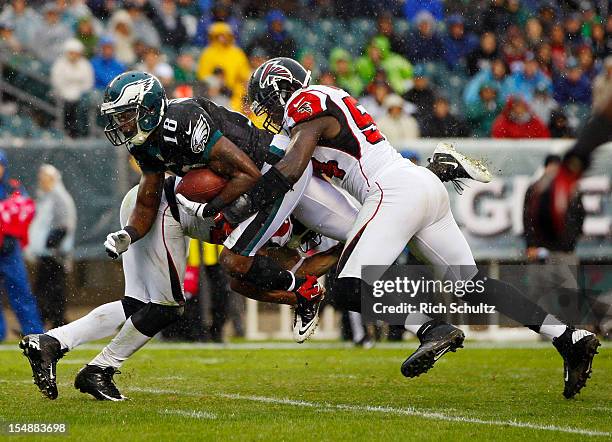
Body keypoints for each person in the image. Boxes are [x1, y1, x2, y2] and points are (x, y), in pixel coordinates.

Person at [246, 57, 598, 399]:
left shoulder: (304, 104)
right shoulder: (325, 100)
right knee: (473, 286)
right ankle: (568, 337)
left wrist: (247, 203)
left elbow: (291, 169)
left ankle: (432, 329)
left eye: (267, 104)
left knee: (347, 288)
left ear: (281, 91)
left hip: (393, 191)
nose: (270, 116)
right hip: (418, 186)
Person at [0, 150, 43, 342]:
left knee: (22, 293)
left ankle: (34, 333)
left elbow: (26, 210)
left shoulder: (13, 187)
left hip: (10, 251)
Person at [27, 165, 76, 329]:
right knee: (46, 289)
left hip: (55, 255)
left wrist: (50, 243)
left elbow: (64, 226)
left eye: (45, 178)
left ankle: (55, 322)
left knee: (53, 290)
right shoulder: (46, 197)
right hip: (47, 254)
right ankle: (47, 322)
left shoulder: (59, 198)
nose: (41, 182)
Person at [196, 22, 250, 110]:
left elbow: (245, 76)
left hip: (235, 93)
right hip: (215, 93)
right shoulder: (208, 53)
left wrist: (243, 94)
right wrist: (218, 83)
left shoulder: (237, 53)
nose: (221, 38)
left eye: (224, 35)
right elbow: (203, 76)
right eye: (218, 36)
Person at [50, 39, 94, 138]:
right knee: (68, 106)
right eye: (71, 53)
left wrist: (79, 92)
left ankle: (81, 131)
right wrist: (65, 92)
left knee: (82, 106)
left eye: (76, 53)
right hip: (63, 94)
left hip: (80, 94)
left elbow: (88, 82)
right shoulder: (60, 64)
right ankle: (67, 131)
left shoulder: (85, 64)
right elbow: (56, 81)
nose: (74, 56)